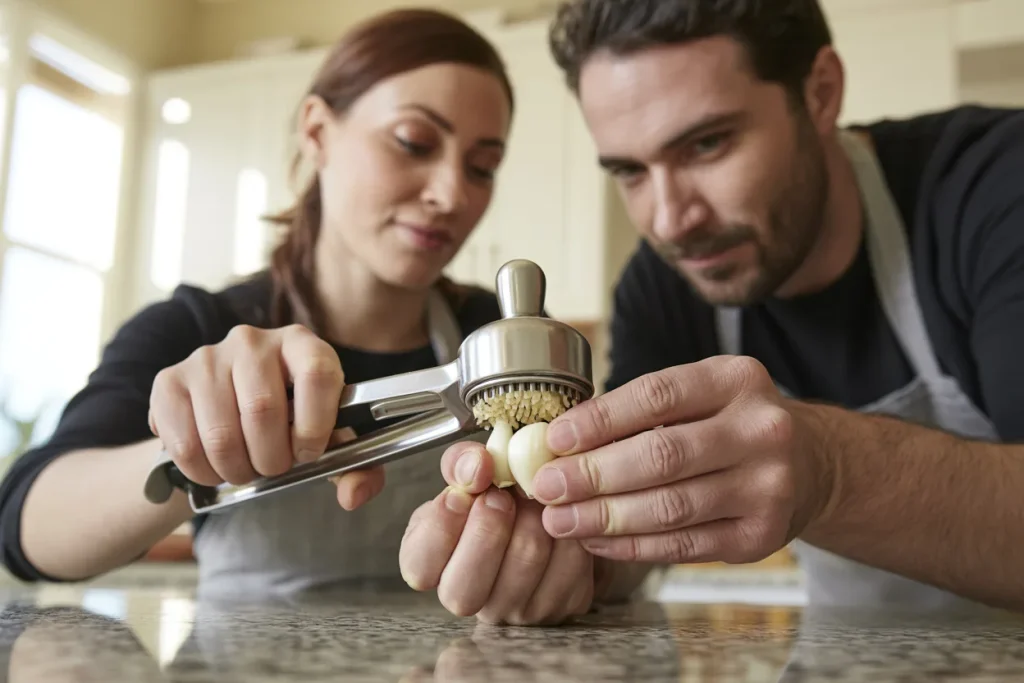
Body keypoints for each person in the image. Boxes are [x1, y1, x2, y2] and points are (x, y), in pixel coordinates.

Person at [0, 8, 643, 624]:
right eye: (414, 142)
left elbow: (605, 535)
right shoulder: (196, 325)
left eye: (482, 167)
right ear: (316, 132)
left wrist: (573, 563)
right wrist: (195, 442)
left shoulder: (496, 333)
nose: (452, 194)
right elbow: (27, 527)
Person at [402, 0, 1024, 615]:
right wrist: (557, 545)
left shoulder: (994, 190)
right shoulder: (666, 285)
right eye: (630, 171)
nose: (672, 222)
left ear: (820, 92)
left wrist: (831, 472)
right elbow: (634, 531)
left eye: (707, 145)